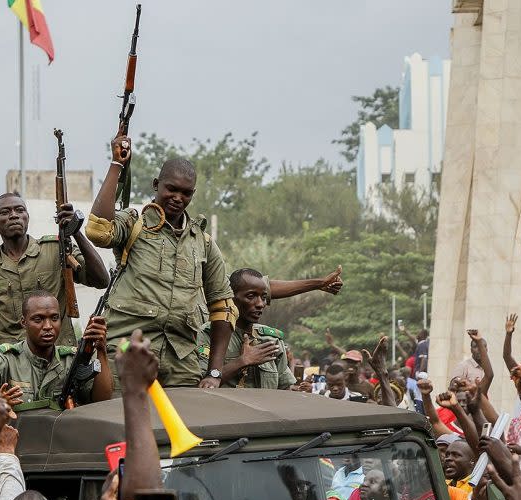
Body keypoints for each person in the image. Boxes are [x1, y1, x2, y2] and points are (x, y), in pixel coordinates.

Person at [87, 135, 343, 389]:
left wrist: (215, 372)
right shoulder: (135, 223)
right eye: (171, 189)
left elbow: (223, 307)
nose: (178, 197)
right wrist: (116, 165)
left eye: (186, 193)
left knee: (183, 427)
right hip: (126, 350)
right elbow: (98, 231)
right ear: (156, 184)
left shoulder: (203, 243)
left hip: (181, 362)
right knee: (124, 422)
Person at [0, 193, 109, 347]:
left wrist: (75, 231)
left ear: (27, 217)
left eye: (19, 210)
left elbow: (101, 280)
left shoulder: (56, 249)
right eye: (5, 212)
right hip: (12, 362)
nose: (14, 215)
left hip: (58, 356)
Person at [0, 291, 113, 409]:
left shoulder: (71, 360)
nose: (48, 326)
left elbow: (102, 400)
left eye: (54, 318)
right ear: (23, 322)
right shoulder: (6, 359)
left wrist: (101, 351)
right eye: (38, 319)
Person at [197, 268, 297, 389]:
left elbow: (285, 388)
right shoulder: (208, 336)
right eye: (251, 296)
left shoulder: (271, 340)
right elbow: (201, 386)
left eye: (264, 297)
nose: (260, 304)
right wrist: (242, 361)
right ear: (231, 297)